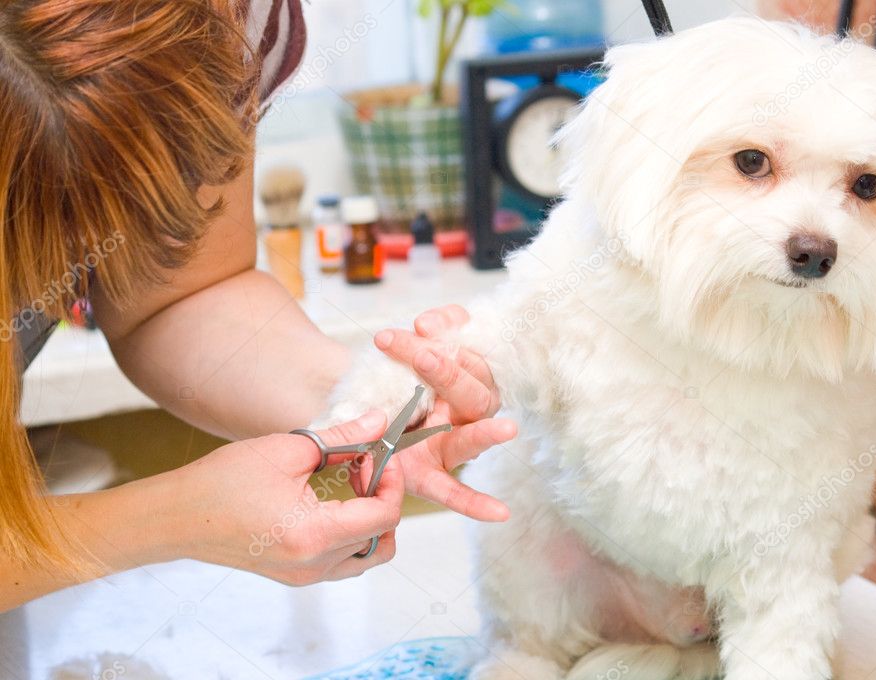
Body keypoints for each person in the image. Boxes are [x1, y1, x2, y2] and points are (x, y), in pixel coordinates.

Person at [0, 0, 514, 611]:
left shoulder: (226, 25)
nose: (61, 294)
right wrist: (173, 518)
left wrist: (364, 404)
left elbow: (182, 294)